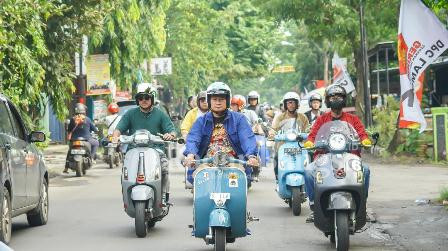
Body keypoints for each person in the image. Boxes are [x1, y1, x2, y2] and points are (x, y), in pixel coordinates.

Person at [303, 84, 372, 223]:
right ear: (328, 100)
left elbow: (361, 133)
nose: (336, 99)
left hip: (349, 157)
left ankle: (362, 205)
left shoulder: (353, 119)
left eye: (339, 96)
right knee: (309, 171)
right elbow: (313, 134)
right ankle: (314, 205)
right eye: (332, 96)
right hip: (325, 157)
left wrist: (365, 140)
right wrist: (310, 142)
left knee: (365, 171)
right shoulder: (321, 119)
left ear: (344, 99)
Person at [112, 83, 176, 204]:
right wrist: (115, 137)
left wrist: (170, 135)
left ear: (152, 98)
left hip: (156, 150)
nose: (144, 100)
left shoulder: (160, 114)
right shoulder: (130, 114)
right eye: (140, 98)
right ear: (137, 100)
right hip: (133, 150)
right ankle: (127, 200)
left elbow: (171, 130)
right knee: (125, 173)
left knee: (164, 169)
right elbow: (119, 128)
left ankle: (163, 196)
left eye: (147, 97)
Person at [183, 82, 259, 168]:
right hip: (207, 161)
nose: (218, 103)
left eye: (221, 99)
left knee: (238, 175)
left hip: (234, 161)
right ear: (209, 101)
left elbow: (247, 138)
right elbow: (193, 139)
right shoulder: (201, 121)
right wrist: (190, 155)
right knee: (199, 175)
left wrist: (251, 156)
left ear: (227, 100)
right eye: (214, 99)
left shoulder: (239, 119)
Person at [269, 92, 309, 182]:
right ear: (285, 104)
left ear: (297, 104)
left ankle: (309, 179)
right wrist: (272, 133)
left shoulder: (303, 117)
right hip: (283, 145)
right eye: (289, 103)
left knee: (309, 156)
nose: (291, 105)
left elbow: (308, 130)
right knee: (276, 157)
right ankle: (278, 178)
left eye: (293, 102)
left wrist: (308, 134)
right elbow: (274, 128)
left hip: (299, 145)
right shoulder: (280, 117)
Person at [64, 103, 99, 173]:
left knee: (69, 151)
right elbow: (94, 129)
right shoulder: (87, 119)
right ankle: (91, 158)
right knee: (96, 143)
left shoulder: (72, 119)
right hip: (86, 140)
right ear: (84, 110)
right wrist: (95, 130)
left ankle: (66, 168)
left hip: (74, 141)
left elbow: (69, 130)